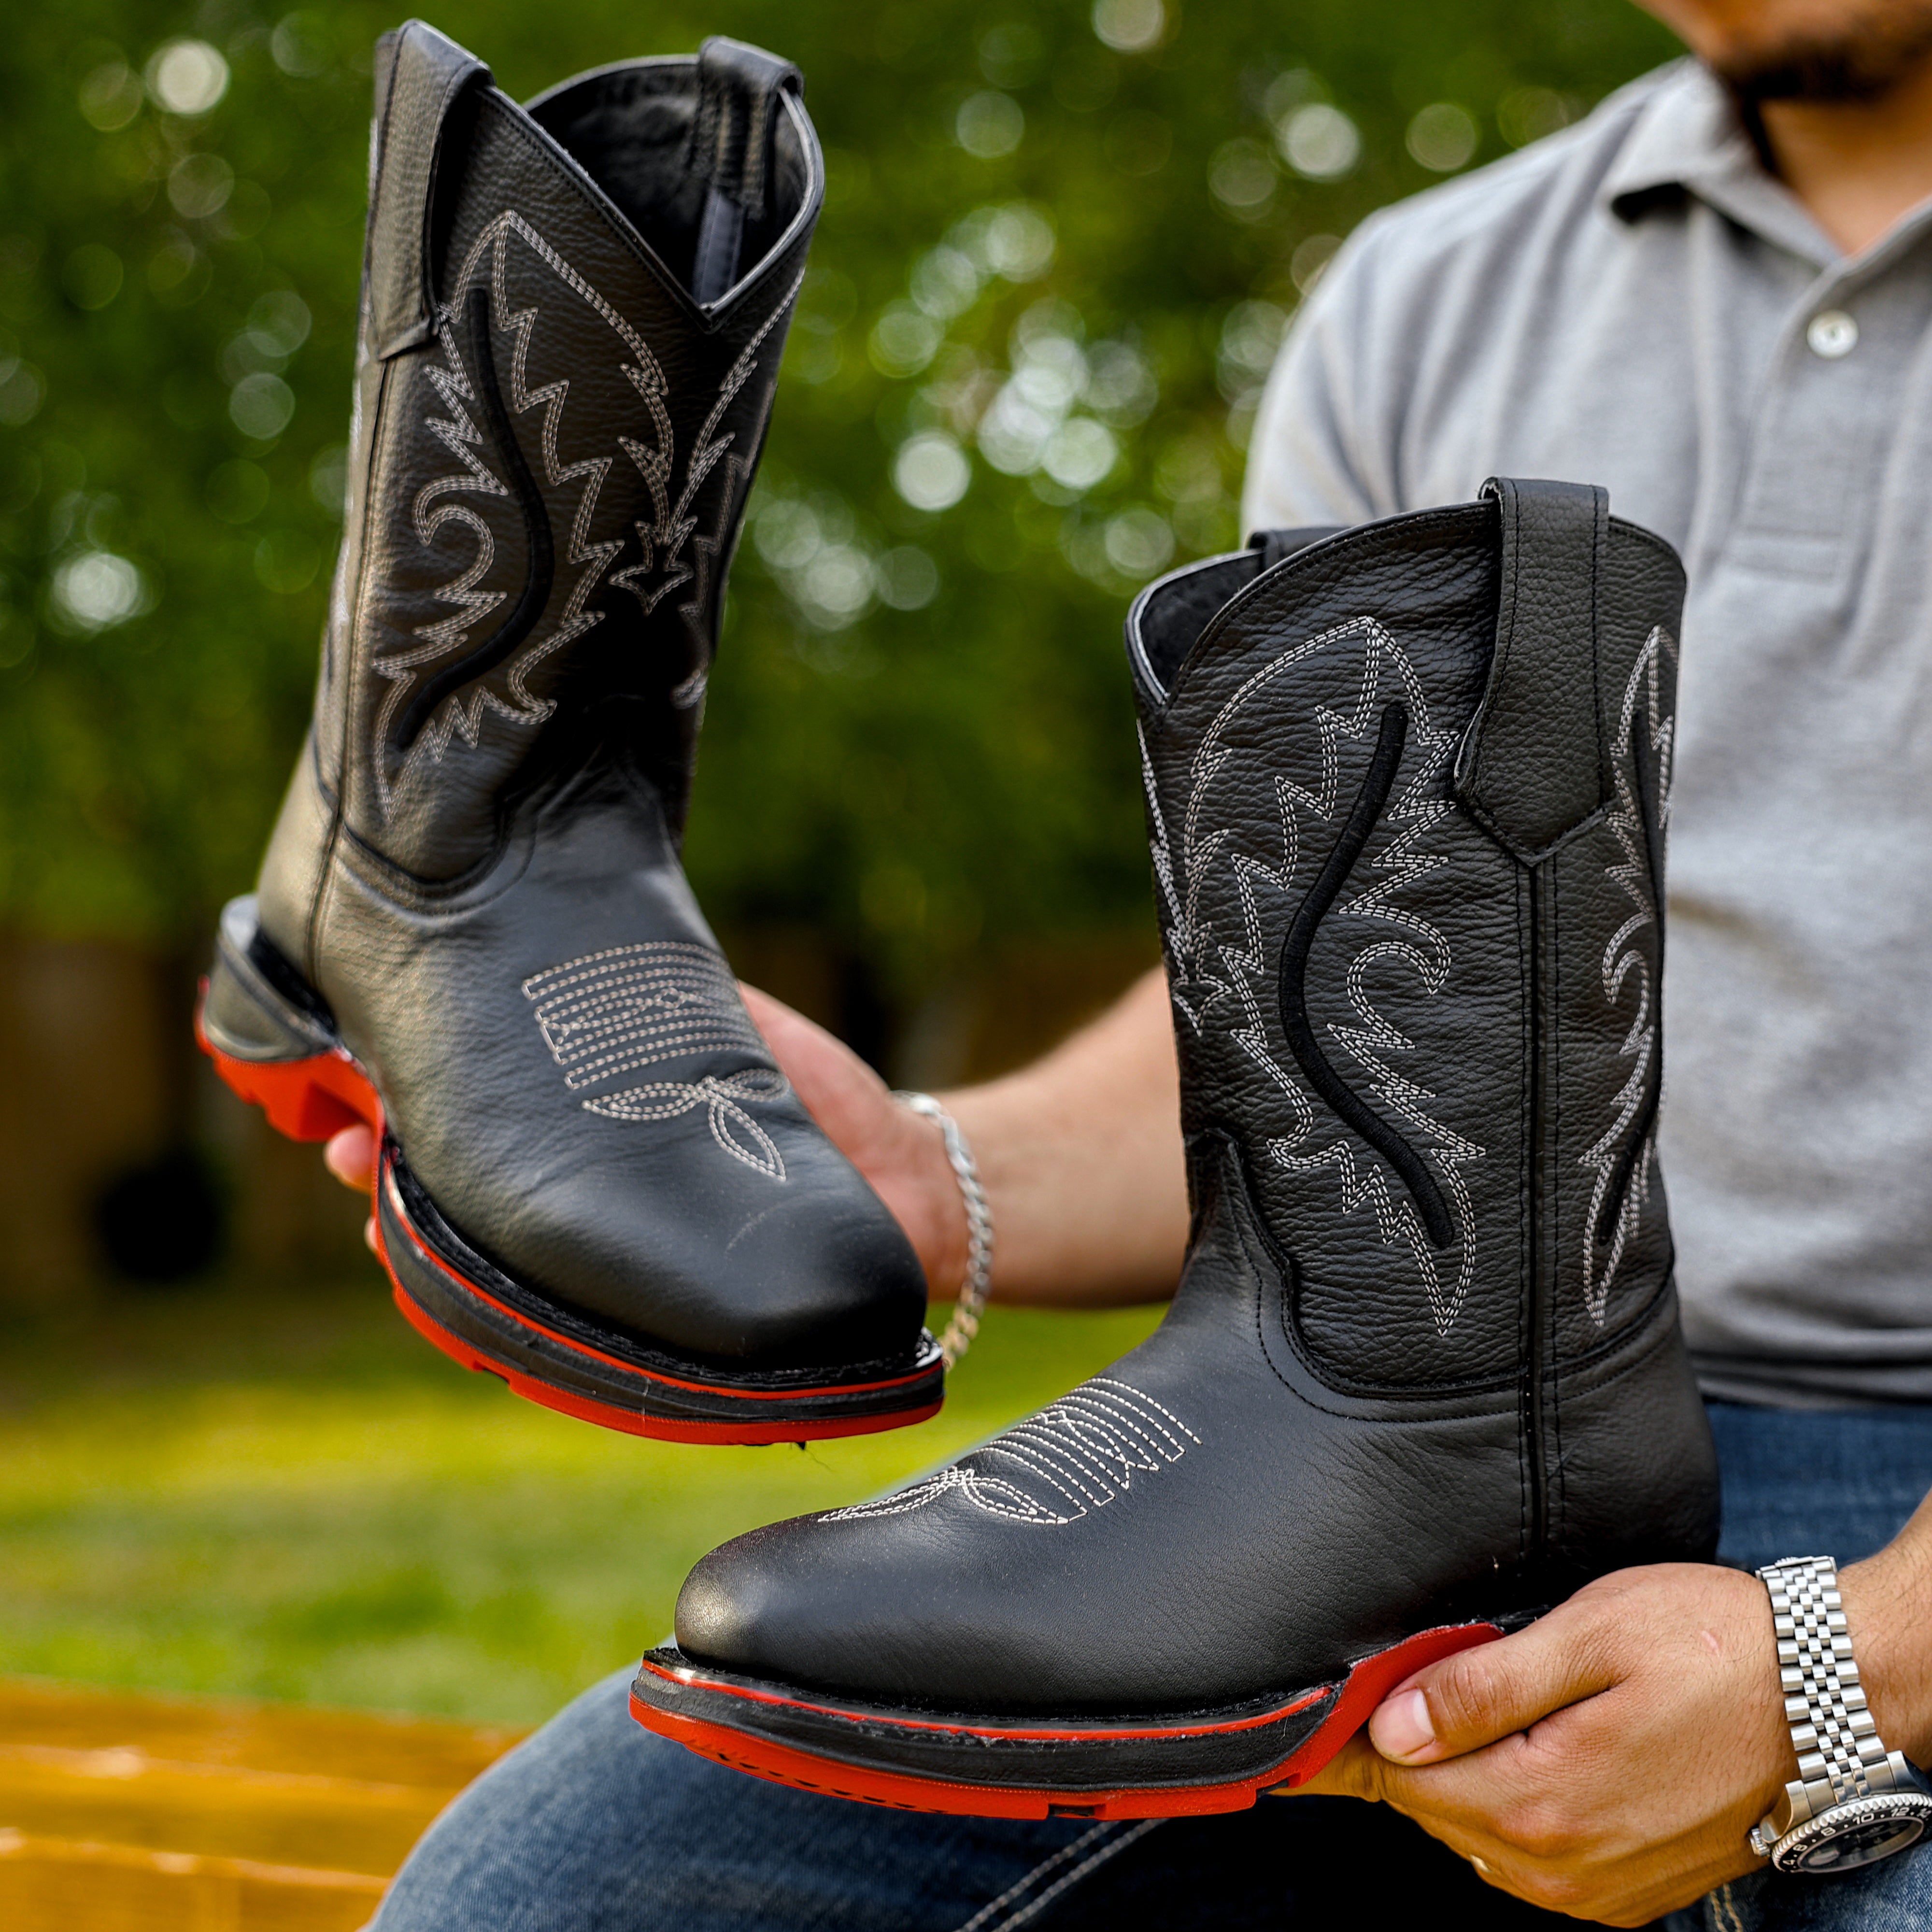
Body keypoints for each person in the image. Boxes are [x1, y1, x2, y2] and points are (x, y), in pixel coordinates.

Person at [325, 0, 1932, 1923]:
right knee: (559, 1899)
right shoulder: (1439, 287)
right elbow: (1345, 1001)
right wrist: (942, 1175)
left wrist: (1853, 1670)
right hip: (1431, 1440)